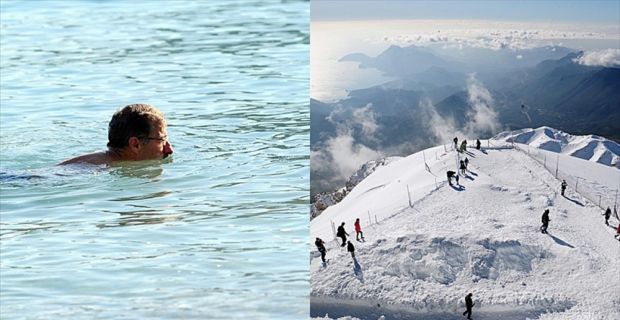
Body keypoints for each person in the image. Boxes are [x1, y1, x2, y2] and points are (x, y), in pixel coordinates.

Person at [60, 104, 173, 165]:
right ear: (135, 144)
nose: (169, 149)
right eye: (161, 140)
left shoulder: (101, 163)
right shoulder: (92, 170)